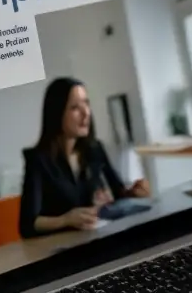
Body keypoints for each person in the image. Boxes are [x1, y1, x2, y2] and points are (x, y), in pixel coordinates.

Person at [19, 77, 150, 238]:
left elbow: (119, 194)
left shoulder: (95, 149)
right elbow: (28, 224)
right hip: (62, 245)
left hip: (97, 237)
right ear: (56, 113)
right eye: (75, 107)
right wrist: (65, 220)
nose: (86, 113)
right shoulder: (38, 160)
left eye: (86, 104)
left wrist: (133, 193)